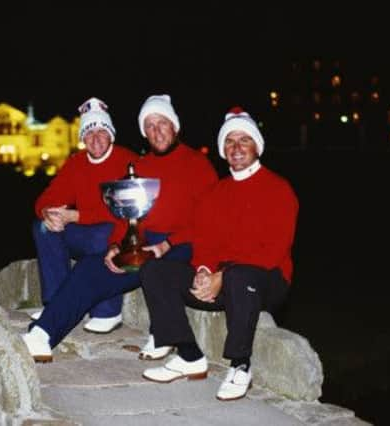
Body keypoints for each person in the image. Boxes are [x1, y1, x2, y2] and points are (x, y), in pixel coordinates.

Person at [22, 94, 218, 362]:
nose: (156, 131)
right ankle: (42, 335)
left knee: (155, 268)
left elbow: (208, 222)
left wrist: (166, 244)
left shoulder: (198, 165)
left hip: (182, 244)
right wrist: (116, 245)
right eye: (149, 125)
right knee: (91, 267)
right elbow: (127, 217)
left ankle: (163, 334)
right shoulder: (140, 166)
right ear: (143, 132)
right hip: (145, 242)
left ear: (175, 126)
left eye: (162, 123)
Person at [139, 107, 299, 402]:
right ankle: (188, 355)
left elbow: (274, 250)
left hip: (265, 279)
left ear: (257, 146)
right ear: (223, 149)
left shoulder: (278, 188)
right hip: (222, 277)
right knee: (154, 270)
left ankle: (241, 365)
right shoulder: (217, 192)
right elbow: (205, 241)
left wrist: (221, 278)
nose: (236, 148)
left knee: (239, 275)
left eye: (244, 140)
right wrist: (202, 270)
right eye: (229, 141)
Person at [31, 97, 138, 333]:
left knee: (102, 236)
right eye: (89, 133)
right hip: (85, 227)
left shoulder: (128, 160)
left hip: (118, 230)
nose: (96, 139)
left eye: (102, 132)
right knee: (42, 227)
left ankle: (108, 311)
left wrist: (74, 217)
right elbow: (48, 196)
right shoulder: (76, 163)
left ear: (111, 134)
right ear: (82, 139)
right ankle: (57, 304)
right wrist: (49, 213)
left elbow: (121, 211)